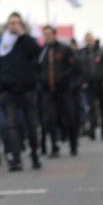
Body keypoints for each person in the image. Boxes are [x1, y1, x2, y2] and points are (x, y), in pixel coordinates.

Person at [0, 12, 41, 171]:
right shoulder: (1, 44)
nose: (14, 26)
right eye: (11, 23)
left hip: (28, 90)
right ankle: (16, 159)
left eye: (17, 23)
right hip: (9, 91)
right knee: (12, 126)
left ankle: (34, 155)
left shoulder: (27, 41)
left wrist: (23, 36)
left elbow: (37, 52)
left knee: (31, 126)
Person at [37, 26, 79, 157]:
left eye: (50, 34)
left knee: (69, 117)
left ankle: (73, 144)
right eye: (45, 34)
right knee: (50, 119)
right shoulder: (42, 51)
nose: (48, 36)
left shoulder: (64, 49)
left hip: (63, 90)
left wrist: (64, 78)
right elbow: (37, 68)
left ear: (54, 34)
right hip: (48, 91)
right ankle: (54, 146)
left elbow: (74, 67)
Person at [76, 32, 103, 141]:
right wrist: (82, 81)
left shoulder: (102, 52)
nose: (89, 42)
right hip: (89, 84)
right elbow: (79, 69)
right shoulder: (81, 53)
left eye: (91, 40)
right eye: (87, 40)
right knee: (91, 108)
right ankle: (92, 131)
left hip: (101, 83)